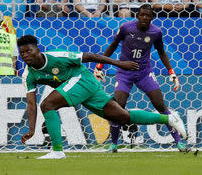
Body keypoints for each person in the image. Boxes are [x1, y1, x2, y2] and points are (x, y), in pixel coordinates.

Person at [18, 34, 187, 159]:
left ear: (38, 50)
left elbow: (90, 56)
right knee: (122, 117)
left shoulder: (57, 57)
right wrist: (32, 130)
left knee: (47, 105)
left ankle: (57, 151)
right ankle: (170, 119)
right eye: (22, 53)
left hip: (83, 80)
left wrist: (119, 63)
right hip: (81, 90)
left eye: (28, 51)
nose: (25, 55)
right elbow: (31, 104)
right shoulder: (28, 75)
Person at [93, 4, 186, 153]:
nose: (145, 18)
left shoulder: (156, 32)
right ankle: (114, 145)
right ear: (137, 16)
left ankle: (179, 143)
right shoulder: (126, 28)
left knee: (160, 104)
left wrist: (171, 71)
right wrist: (99, 66)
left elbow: (162, 52)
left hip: (144, 72)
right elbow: (113, 45)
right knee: (118, 106)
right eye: (142, 15)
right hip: (125, 73)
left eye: (148, 16)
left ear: (152, 18)